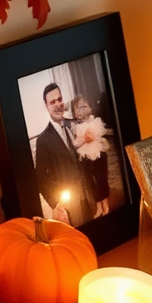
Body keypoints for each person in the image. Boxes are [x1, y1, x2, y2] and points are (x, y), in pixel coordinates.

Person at [34, 83, 91, 227]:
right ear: (46, 105)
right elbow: (40, 179)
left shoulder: (73, 127)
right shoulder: (43, 140)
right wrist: (56, 203)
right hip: (69, 203)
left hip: (87, 194)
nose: (58, 104)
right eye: (52, 102)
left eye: (59, 99)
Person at [70, 94, 112, 218]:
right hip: (85, 156)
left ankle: (105, 202)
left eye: (84, 106)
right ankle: (98, 205)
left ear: (90, 108)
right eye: (78, 108)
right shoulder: (75, 127)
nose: (82, 109)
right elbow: (75, 142)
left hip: (99, 153)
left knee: (101, 178)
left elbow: (99, 134)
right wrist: (83, 138)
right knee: (90, 182)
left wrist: (91, 136)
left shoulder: (96, 121)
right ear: (75, 113)